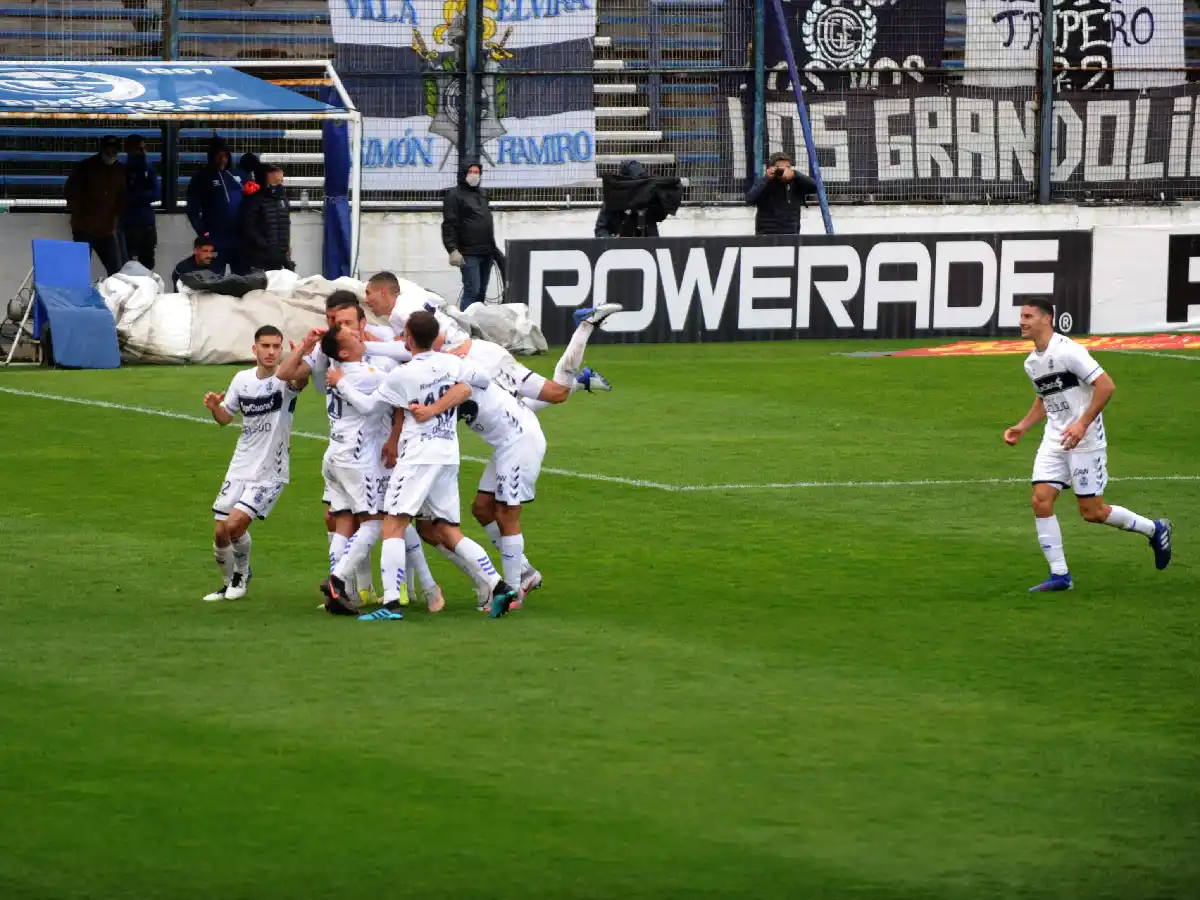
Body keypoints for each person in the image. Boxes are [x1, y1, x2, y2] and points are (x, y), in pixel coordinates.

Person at [323, 311, 518, 620]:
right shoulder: (451, 363)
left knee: (393, 524)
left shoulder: (403, 375)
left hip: (417, 456)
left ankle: (390, 605)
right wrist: (443, 403)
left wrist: (342, 383)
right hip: (448, 454)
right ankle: (500, 585)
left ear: (408, 339)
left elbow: (368, 406)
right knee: (449, 529)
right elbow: (477, 382)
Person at [1003, 297, 1173, 592]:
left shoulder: (1069, 352)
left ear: (1047, 319)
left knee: (1091, 512)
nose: (1022, 322)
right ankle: (1060, 576)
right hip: (1055, 438)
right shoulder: (1032, 362)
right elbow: (1045, 397)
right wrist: (1022, 426)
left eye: (1029, 316)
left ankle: (1154, 529)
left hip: (1086, 439)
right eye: (1022, 316)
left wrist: (1082, 423)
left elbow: (1106, 385)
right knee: (1040, 500)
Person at [201, 325, 307, 602]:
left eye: (276, 346)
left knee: (236, 525)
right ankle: (226, 583)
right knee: (220, 531)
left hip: (270, 471)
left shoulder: (285, 381)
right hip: (240, 464)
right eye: (266, 346)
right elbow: (227, 418)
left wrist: (301, 355)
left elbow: (300, 380)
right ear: (255, 349)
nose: (271, 352)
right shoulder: (241, 379)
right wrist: (215, 408)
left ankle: (242, 574)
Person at [63, 135, 126, 276]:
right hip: (85, 229)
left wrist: (116, 217)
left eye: (114, 151)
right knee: (80, 271)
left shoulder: (120, 170)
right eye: (109, 150)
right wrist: (82, 215)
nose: (112, 154)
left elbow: (122, 197)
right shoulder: (85, 167)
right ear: (102, 150)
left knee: (116, 271)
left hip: (107, 230)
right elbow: (70, 193)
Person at [442, 160, 496, 309]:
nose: (474, 175)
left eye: (477, 172)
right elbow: (449, 224)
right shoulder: (454, 195)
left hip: (486, 251)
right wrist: (452, 249)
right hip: (469, 253)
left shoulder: (482, 193)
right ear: (463, 174)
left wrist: (493, 249)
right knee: (472, 291)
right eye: (470, 172)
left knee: (481, 293)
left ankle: (477, 326)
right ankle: (466, 327)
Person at [186, 136, 244, 275]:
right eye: (218, 155)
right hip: (216, 239)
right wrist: (204, 234)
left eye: (225, 155)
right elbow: (192, 210)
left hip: (238, 238)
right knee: (214, 279)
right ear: (211, 156)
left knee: (244, 278)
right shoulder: (201, 177)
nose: (222, 159)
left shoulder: (235, 176)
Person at [594, 159, 682, 238]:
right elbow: (600, 229)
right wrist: (612, 242)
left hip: (649, 246)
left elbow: (660, 215)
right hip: (621, 250)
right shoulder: (613, 199)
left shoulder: (650, 196)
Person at [745, 152, 818, 236]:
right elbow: (750, 199)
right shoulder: (764, 182)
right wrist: (766, 179)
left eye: (787, 168)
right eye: (780, 168)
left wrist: (796, 174)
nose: (784, 171)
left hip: (791, 236)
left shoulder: (796, 182)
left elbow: (814, 188)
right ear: (772, 168)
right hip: (766, 237)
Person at [239, 166, 294, 273]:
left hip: (279, 255)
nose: (279, 183)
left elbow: (285, 223)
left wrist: (286, 245)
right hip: (260, 257)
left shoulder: (283, 199)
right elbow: (247, 226)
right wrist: (263, 244)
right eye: (276, 180)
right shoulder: (254, 200)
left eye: (281, 180)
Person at [121, 134, 159, 272]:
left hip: (147, 223)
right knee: (127, 264)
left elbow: (156, 194)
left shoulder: (149, 169)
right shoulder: (123, 170)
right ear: (129, 150)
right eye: (138, 149)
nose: (142, 152)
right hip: (129, 224)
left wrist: (136, 196)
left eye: (143, 148)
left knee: (148, 264)